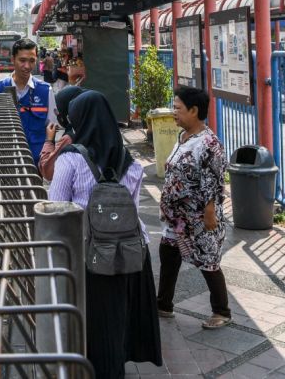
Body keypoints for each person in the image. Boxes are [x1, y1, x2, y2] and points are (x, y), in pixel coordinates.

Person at [49, 91, 162, 378]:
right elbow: (132, 212)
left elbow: (56, 210)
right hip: (131, 254)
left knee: (97, 324)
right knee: (119, 320)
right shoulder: (131, 162)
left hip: (90, 257)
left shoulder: (70, 160)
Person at [157, 86, 231, 329]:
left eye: (178, 108)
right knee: (168, 255)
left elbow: (214, 180)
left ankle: (221, 311)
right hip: (177, 219)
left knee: (208, 261)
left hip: (198, 217)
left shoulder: (209, 143)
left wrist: (209, 212)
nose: (174, 112)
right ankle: (163, 304)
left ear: (194, 110)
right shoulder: (184, 137)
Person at [0, 38, 57, 165]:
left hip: (36, 163)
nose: (27, 66)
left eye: (31, 61)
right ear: (12, 59)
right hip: (7, 163)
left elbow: (51, 126)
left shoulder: (45, 90)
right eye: (22, 60)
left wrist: (47, 156)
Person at [38, 85, 86, 181]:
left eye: (57, 110)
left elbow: (48, 171)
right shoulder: (102, 128)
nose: (56, 114)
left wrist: (49, 140)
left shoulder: (70, 137)